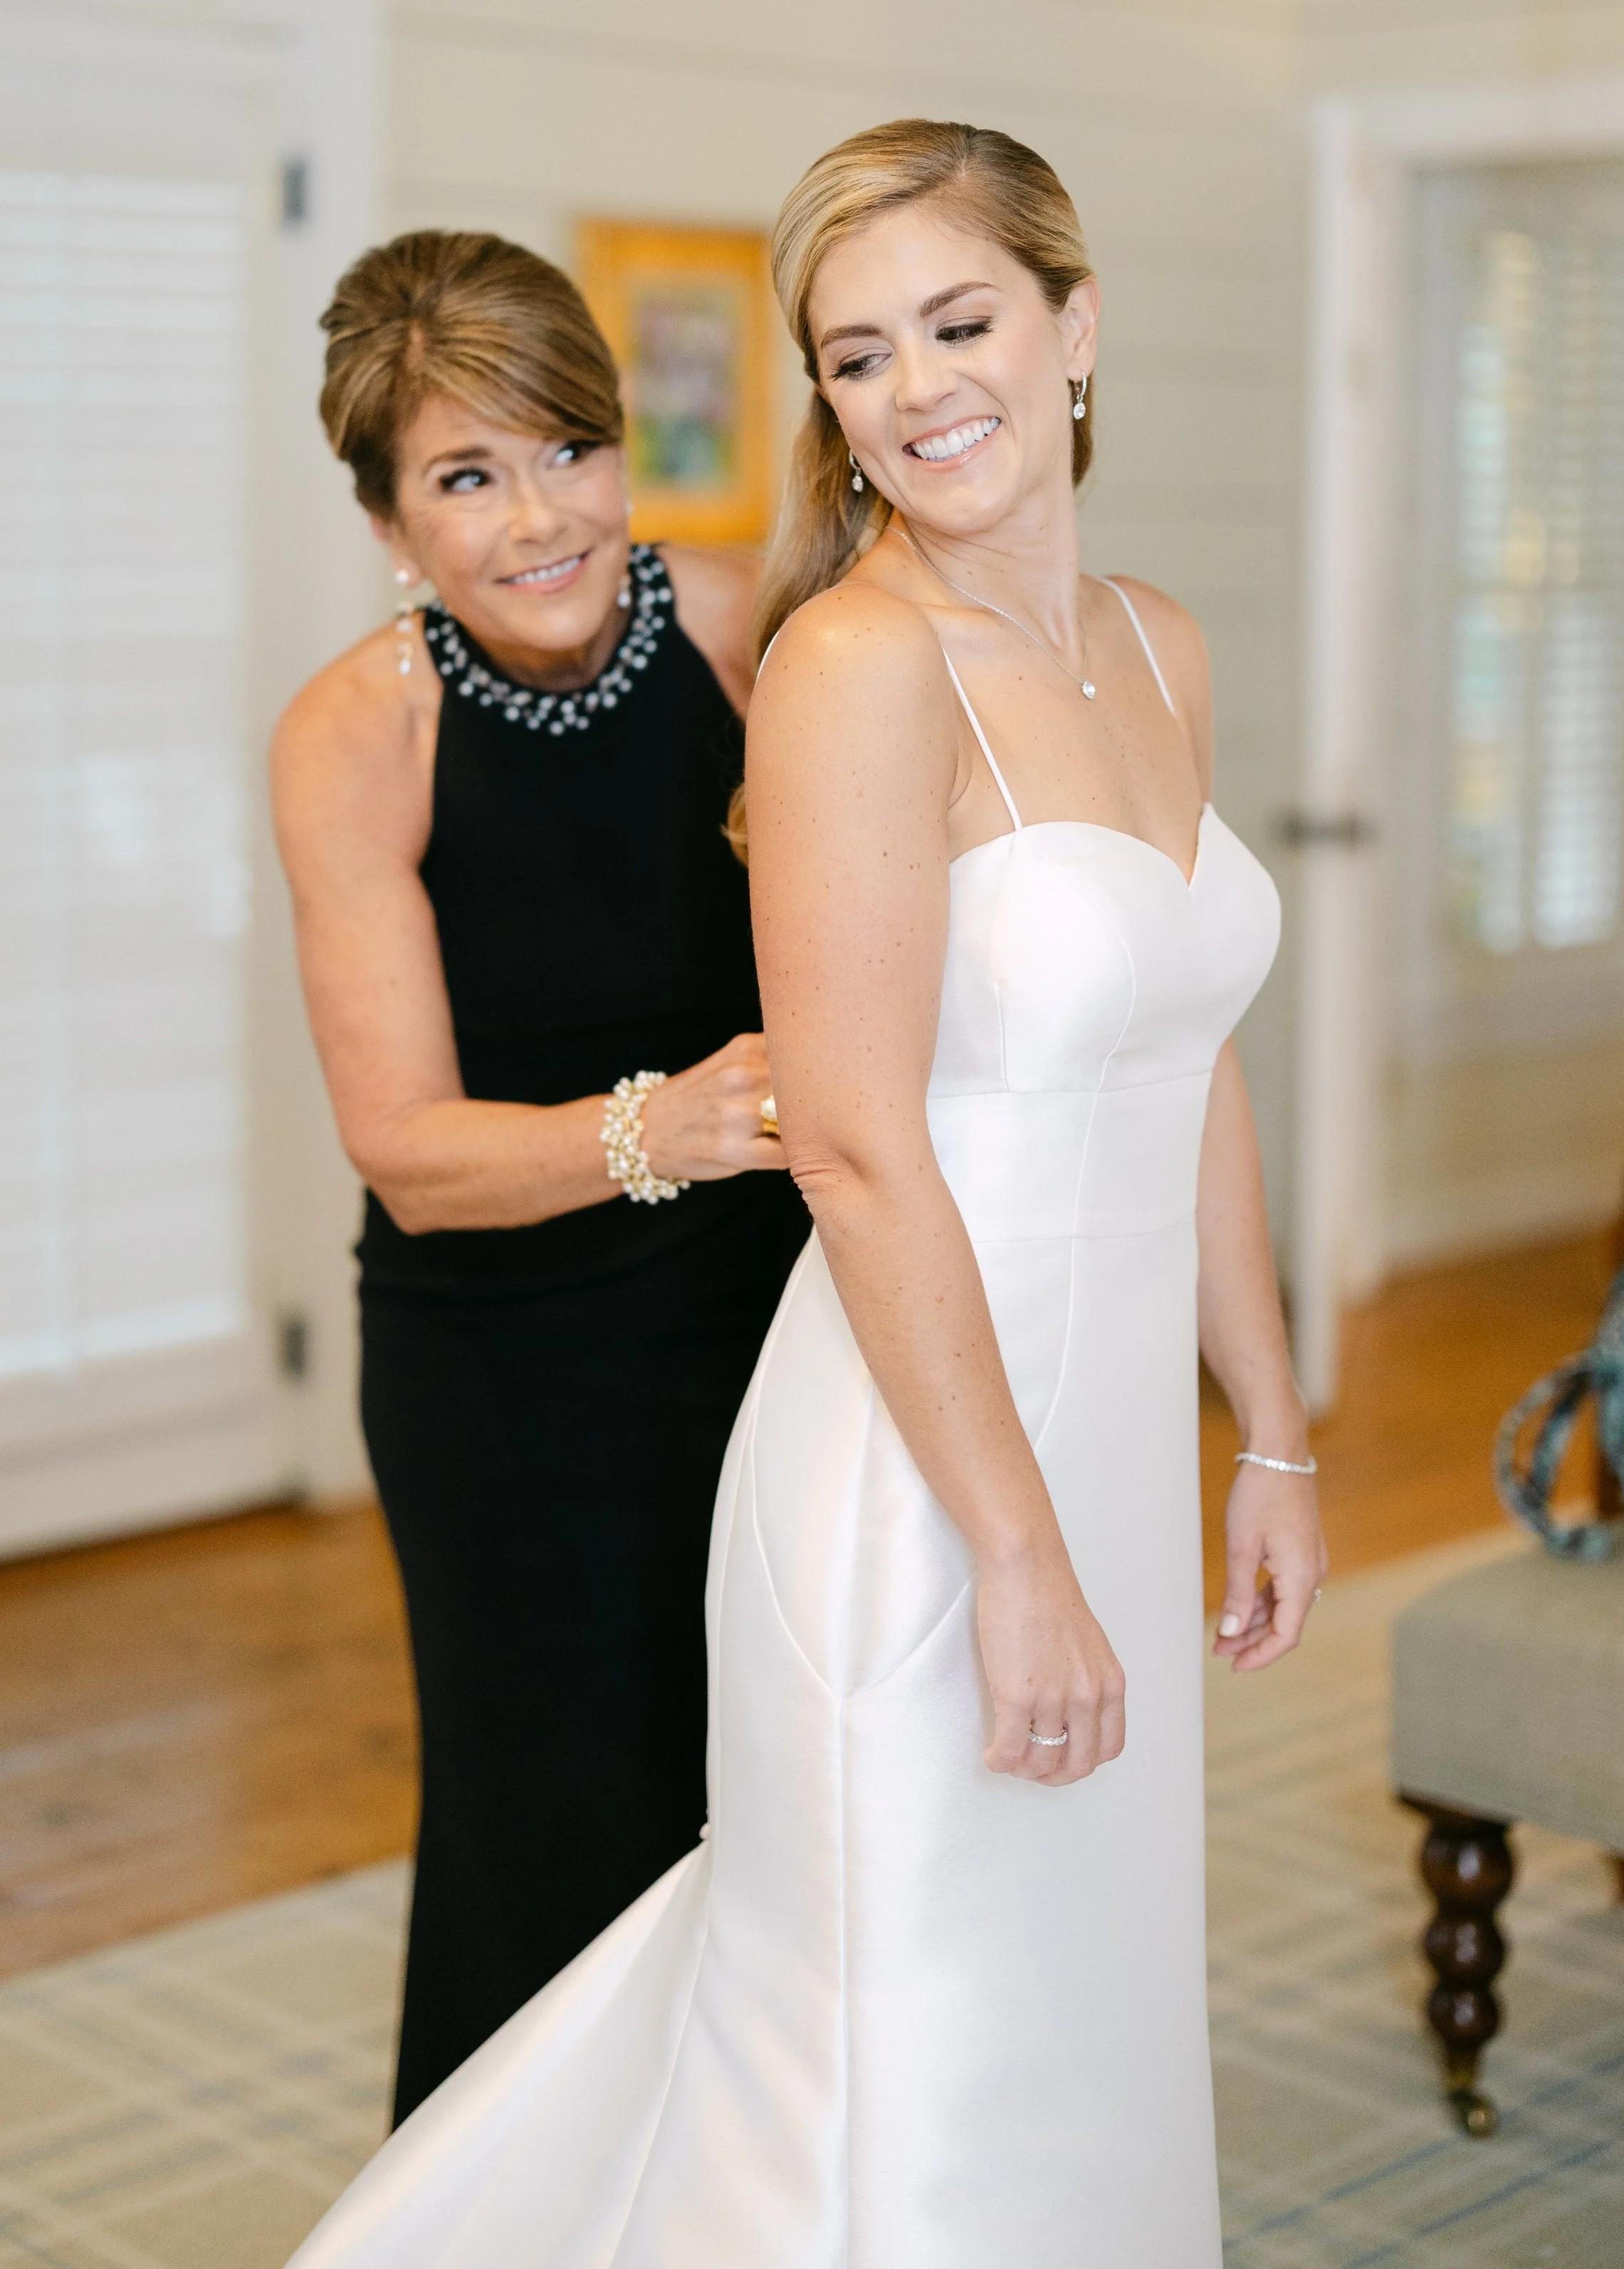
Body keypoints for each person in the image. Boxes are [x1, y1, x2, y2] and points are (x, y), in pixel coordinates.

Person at [288, 125, 1327, 2267]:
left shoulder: (1065, 643)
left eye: (958, 322)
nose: (916, 385)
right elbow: (790, 1134)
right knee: (743, 1939)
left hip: (962, 1357)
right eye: (858, 353)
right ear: (389, 524)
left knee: (1006, 1948)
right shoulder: (813, 661)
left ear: (1073, 326)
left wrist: (1274, 1423)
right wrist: (1010, 1538)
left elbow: (1164, 1049)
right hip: (745, 1395)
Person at [271, 230, 807, 2124]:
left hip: (766, 1321)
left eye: (564, 448)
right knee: (545, 1831)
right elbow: (409, 1153)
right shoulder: (359, 732)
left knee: (775, 1793)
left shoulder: (754, 630)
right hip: (497, 1361)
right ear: (387, 522)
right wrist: (659, 1124)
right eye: (462, 477)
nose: (534, 518)